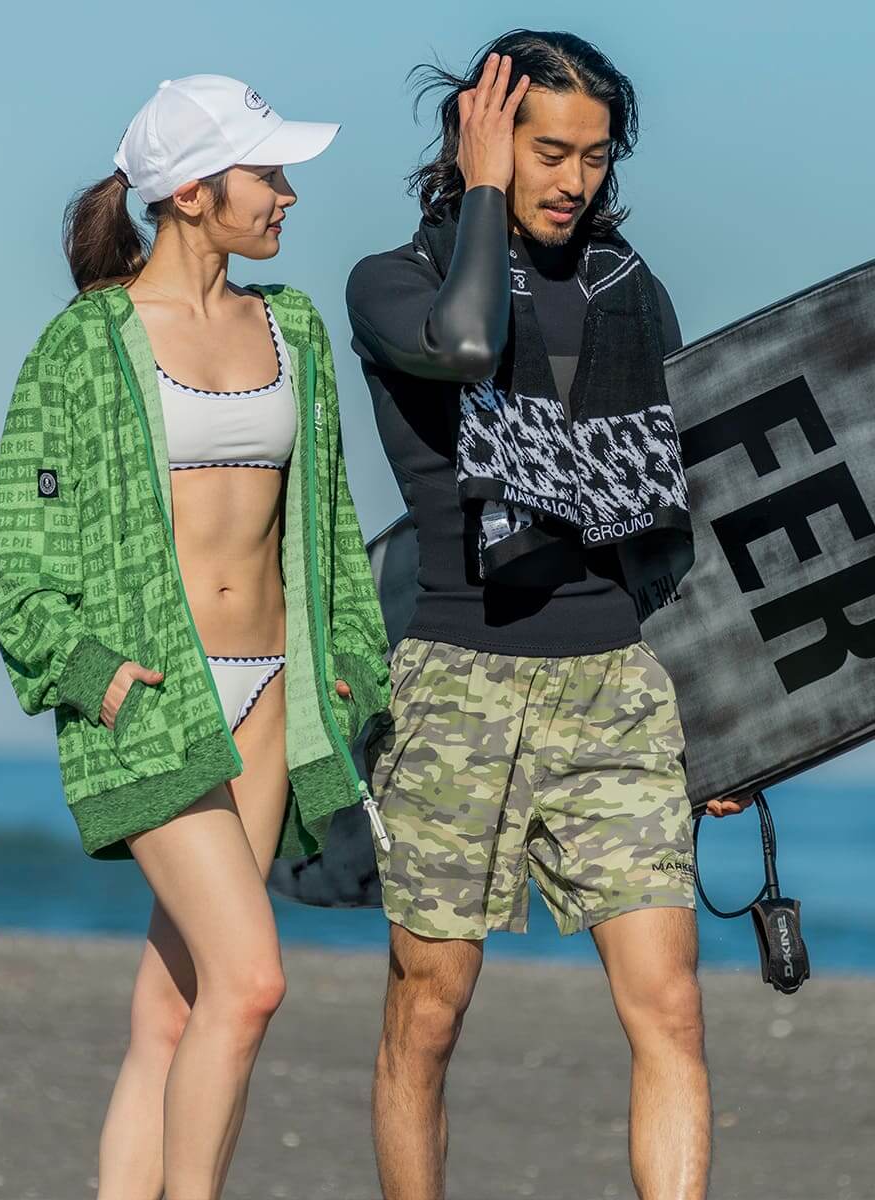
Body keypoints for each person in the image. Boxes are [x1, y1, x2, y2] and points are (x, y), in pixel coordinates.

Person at [346, 32, 751, 1200]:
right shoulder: (398, 282)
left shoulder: (629, 294)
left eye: (595, 155)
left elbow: (676, 520)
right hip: (457, 682)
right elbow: (468, 343)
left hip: (613, 682)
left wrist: (726, 720)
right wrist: (482, 193)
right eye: (547, 151)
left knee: (670, 1004)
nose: (574, 180)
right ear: (482, 135)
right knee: (428, 1010)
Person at [0, 74, 389, 1200]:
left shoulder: (293, 325)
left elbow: (329, 522)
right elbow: (13, 536)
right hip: (156, 700)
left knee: (178, 1008)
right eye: (269, 173)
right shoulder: (86, 343)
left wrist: (349, 668)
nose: (289, 194)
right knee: (251, 983)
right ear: (194, 192)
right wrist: (87, 672)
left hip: (271, 697)